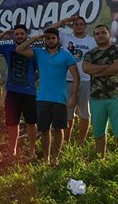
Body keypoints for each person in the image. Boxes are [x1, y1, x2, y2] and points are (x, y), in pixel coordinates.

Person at [16, 27, 79, 166]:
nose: (50, 41)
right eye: (48, 38)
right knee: (44, 130)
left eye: (53, 38)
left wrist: (73, 96)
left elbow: (76, 76)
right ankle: (46, 158)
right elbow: (19, 49)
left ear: (58, 39)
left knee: (59, 129)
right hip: (42, 98)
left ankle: (56, 158)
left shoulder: (66, 55)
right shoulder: (39, 53)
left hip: (60, 98)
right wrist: (36, 38)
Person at [0, 24, 38, 159]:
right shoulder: (7, 48)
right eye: (16, 34)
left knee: (31, 122)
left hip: (29, 93)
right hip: (12, 92)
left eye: (22, 34)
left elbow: (40, 70)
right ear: (13, 36)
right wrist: (2, 35)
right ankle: (12, 150)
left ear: (26, 35)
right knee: (12, 123)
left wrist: (30, 80)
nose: (19, 36)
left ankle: (32, 151)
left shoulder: (34, 52)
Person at [82, 25, 118, 158]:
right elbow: (86, 69)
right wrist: (108, 66)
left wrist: (96, 71)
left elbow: (117, 67)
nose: (100, 35)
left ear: (109, 34)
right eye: (97, 34)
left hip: (116, 96)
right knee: (98, 132)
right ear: (94, 37)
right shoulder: (90, 54)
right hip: (96, 98)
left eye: (103, 32)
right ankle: (100, 159)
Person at [50, 16, 95, 145]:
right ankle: (66, 142)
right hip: (67, 80)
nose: (78, 26)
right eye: (76, 24)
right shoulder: (65, 38)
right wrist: (64, 21)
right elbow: (49, 30)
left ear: (85, 26)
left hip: (85, 81)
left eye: (81, 24)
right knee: (68, 114)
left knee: (85, 113)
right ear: (72, 26)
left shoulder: (92, 41)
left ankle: (81, 142)